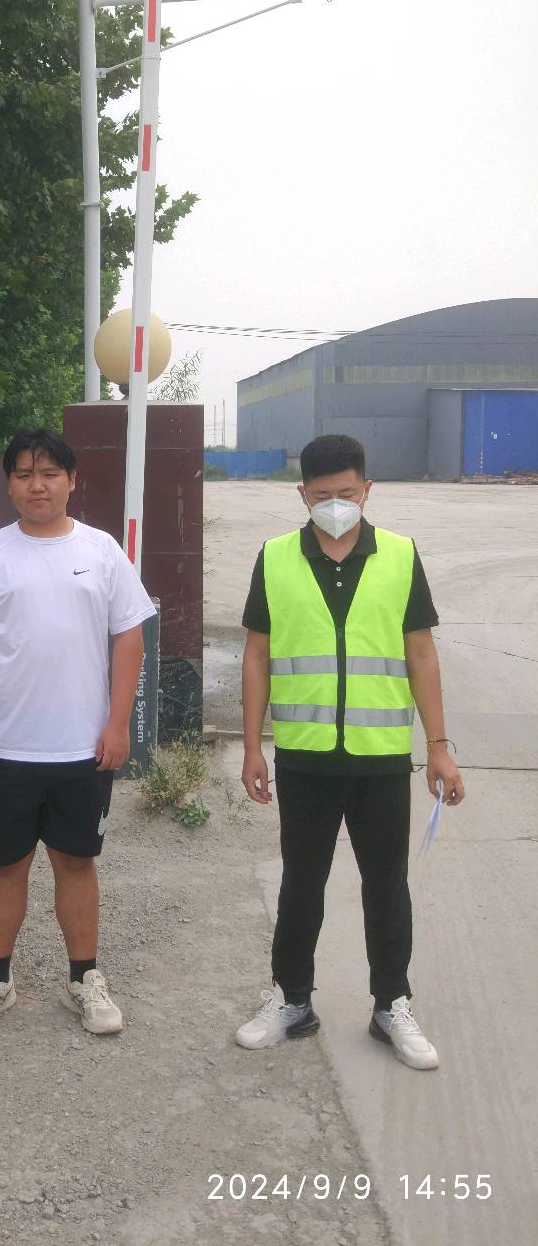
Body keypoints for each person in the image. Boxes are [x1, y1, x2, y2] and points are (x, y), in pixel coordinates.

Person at [236, 433, 464, 1069]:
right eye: (322, 495)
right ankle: (290, 999)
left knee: (387, 886)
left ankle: (392, 1005)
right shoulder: (275, 558)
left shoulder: (400, 555)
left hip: (379, 758)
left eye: (346, 492)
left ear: (367, 490)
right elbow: (257, 654)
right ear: (301, 495)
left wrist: (439, 746)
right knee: (301, 884)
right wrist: (252, 747)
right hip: (304, 758)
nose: (334, 504)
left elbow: (421, 651)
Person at [0, 427, 156, 1036]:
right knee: (5, 865)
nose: (37, 485)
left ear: (71, 481)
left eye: (49, 474)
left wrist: (118, 725)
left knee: (76, 863)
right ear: (10, 484)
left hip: (82, 747)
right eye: (24, 474)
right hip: (6, 746)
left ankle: (84, 979)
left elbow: (129, 636)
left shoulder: (102, 550)